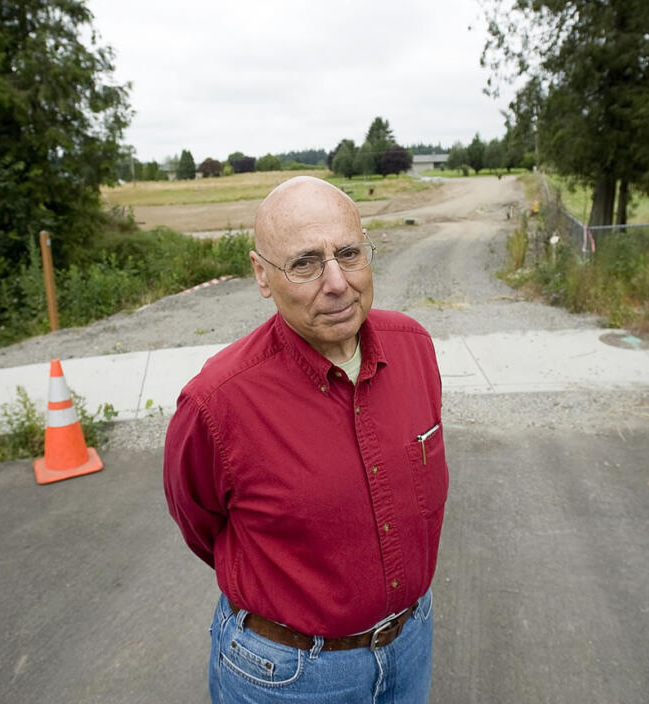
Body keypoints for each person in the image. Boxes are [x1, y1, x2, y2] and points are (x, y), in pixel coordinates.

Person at [164, 175, 449, 703]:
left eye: (348, 253)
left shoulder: (414, 347)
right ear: (262, 275)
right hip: (288, 677)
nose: (337, 281)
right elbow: (200, 524)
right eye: (305, 263)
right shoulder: (216, 402)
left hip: (411, 644)